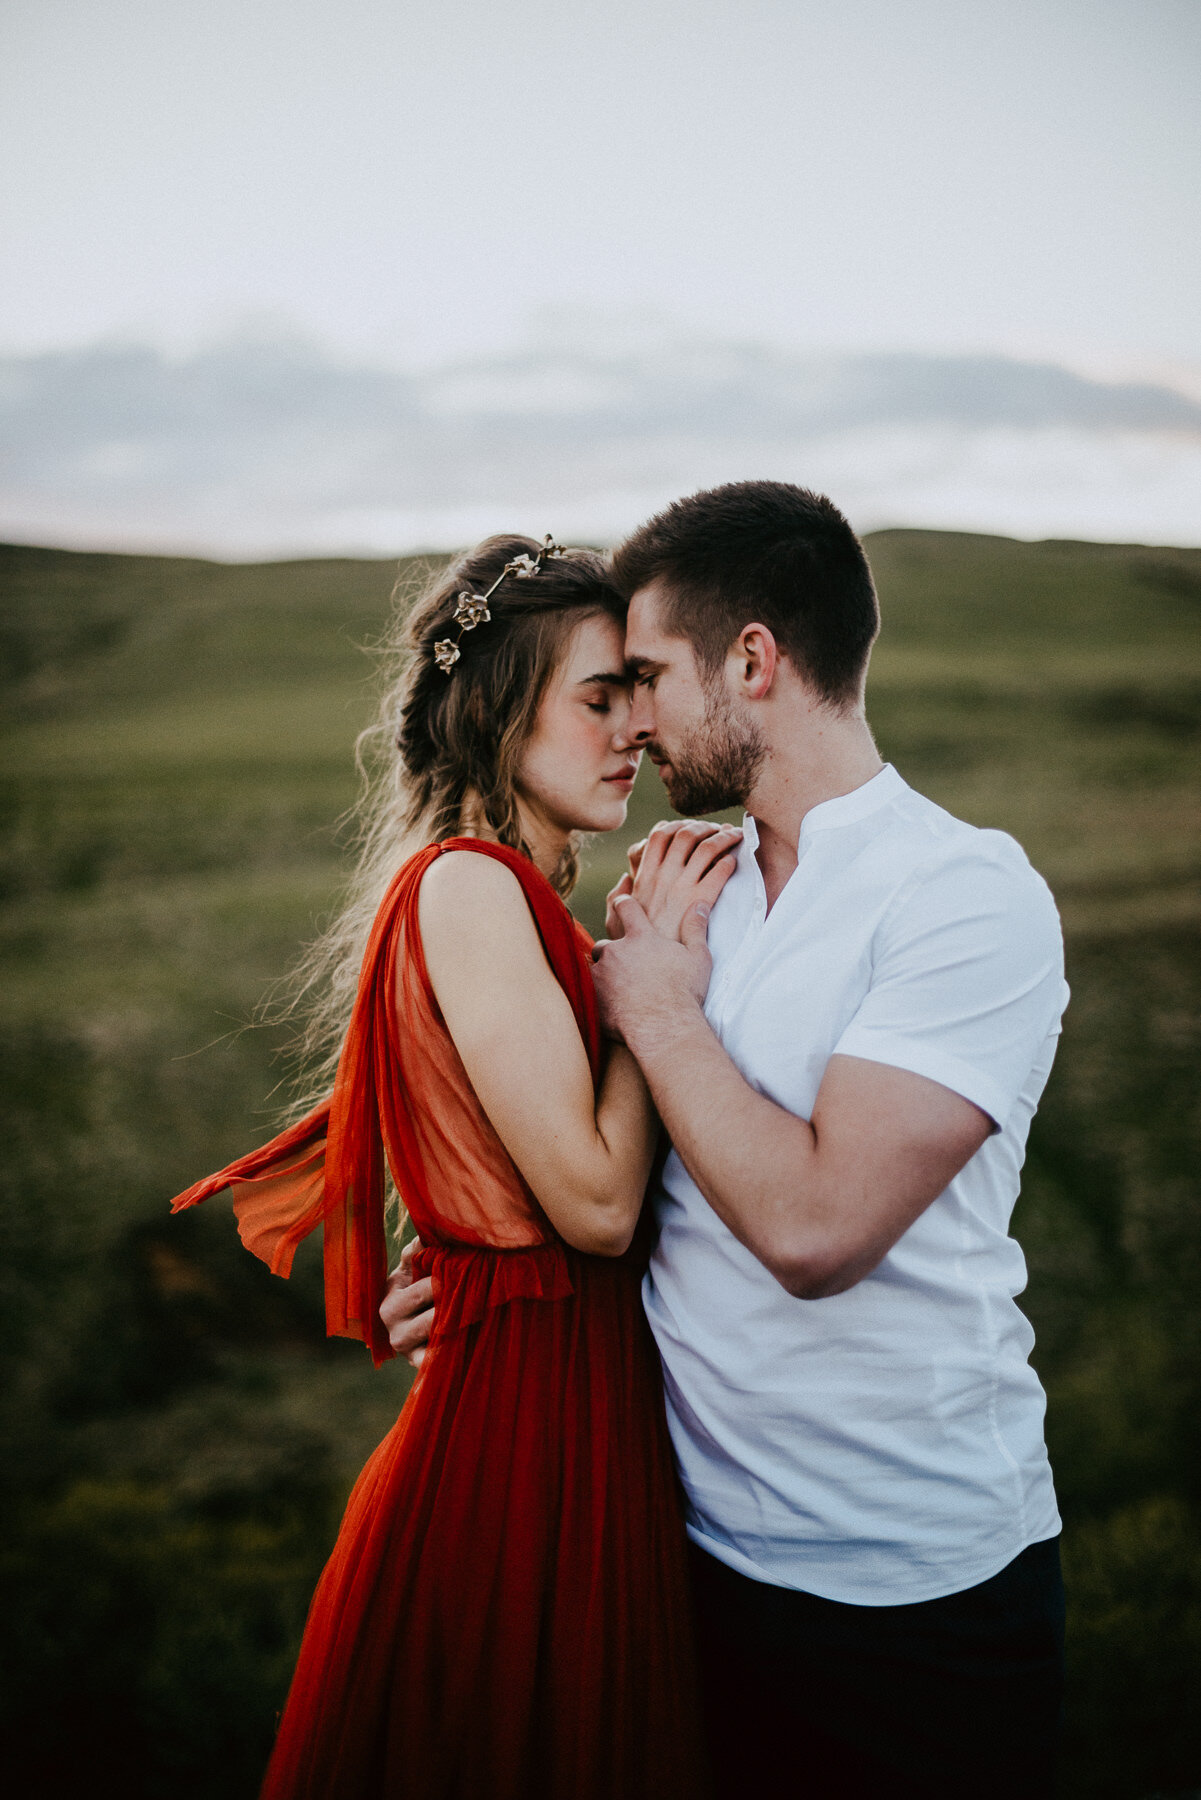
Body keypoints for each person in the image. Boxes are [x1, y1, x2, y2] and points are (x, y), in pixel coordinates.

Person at [388, 482, 1071, 1800]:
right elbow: (644, 1196)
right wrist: (480, 1270)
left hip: (909, 1597)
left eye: (646, 676)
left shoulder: (963, 895)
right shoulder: (682, 889)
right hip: (683, 1566)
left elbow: (815, 1233)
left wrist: (655, 1009)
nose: (634, 721)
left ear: (752, 659)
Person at [169, 535, 738, 1800]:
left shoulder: (503, 893)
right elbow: (594, 1207)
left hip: (557, 1399)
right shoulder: (472, 890)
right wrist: (657, 988)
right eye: (599, 698)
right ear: (493, 710)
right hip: (523, 1437)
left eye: (636, 695)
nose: (635, 729)